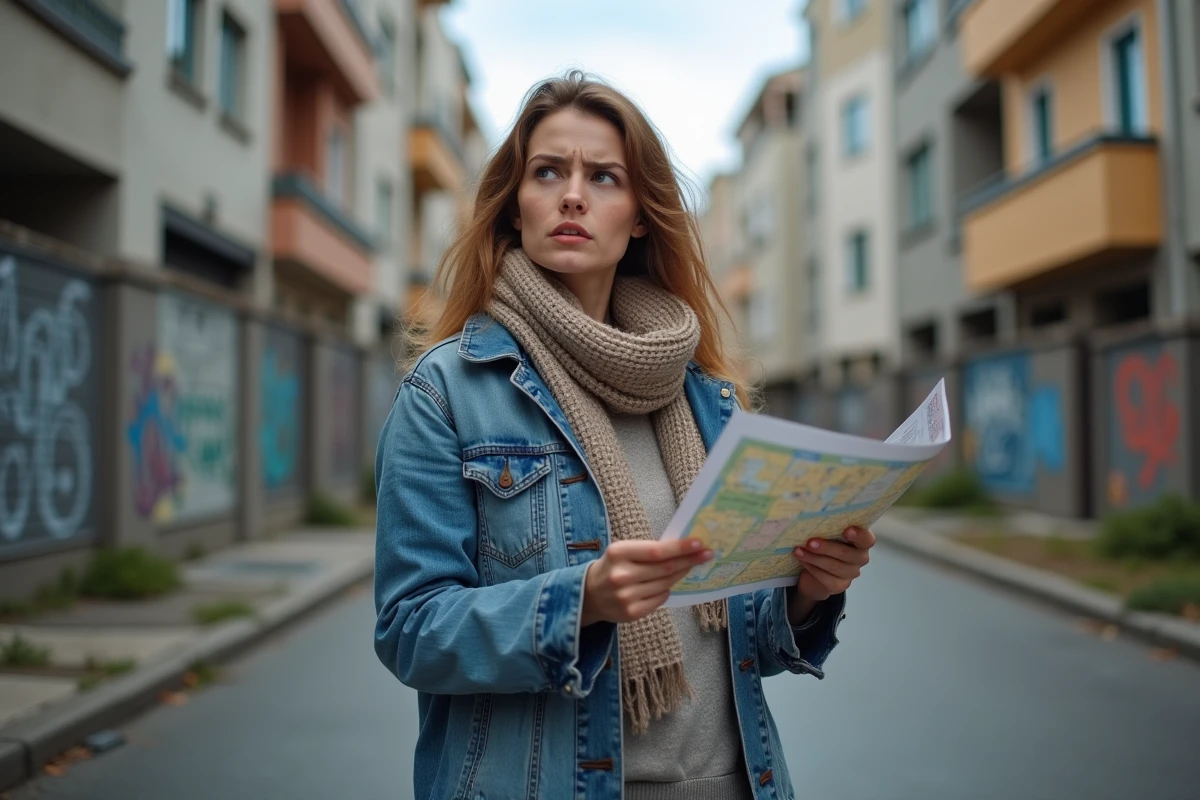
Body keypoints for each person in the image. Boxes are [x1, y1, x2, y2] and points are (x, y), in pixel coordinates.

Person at [373, 71, 875, 800]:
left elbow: (736, 639)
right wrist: (580, 602)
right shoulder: (446, 392)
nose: (573, 194)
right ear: (517, 206)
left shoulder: (708, 401)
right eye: (548, 172)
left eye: (604, 177)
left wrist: (809, 594)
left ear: (640, 214)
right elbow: (412, 630)